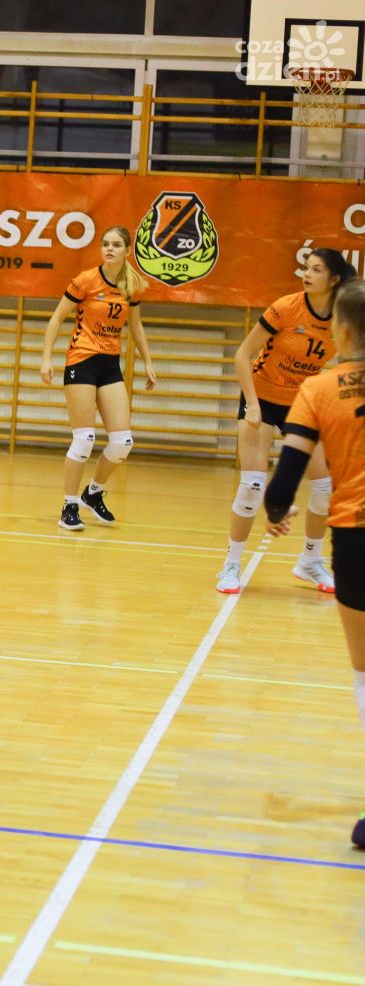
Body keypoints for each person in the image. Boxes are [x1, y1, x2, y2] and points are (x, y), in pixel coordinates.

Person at [262, 279, 365, 847]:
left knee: (364, 671)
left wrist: (277, 512)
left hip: (355, 535)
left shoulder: (320, 388)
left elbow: (285, 480)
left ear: (342, 331)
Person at [215, 247, 357, 594]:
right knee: (251, 485)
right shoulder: (286, 307)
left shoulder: (343, 316)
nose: (307, 274)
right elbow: (242, 355)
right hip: (261, 398)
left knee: (324, 488)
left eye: (317, 269)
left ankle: (310, 561)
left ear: (334, 279)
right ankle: (231, 563)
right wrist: (251, 404)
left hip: (303, 402)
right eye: (307, 268)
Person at [40, 225, 157, 531]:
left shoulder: (132, 285)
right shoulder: (86, 280)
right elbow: (57, 318)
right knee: (84, 438)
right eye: (105, 244)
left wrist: (148, 361)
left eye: (116, 245)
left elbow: (136, 325)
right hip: (82, 360)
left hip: (110, 364)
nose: (109, 249)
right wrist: (46, 359)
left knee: (123, 442)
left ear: (127, 250)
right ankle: (68, 506)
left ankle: (92, 493)